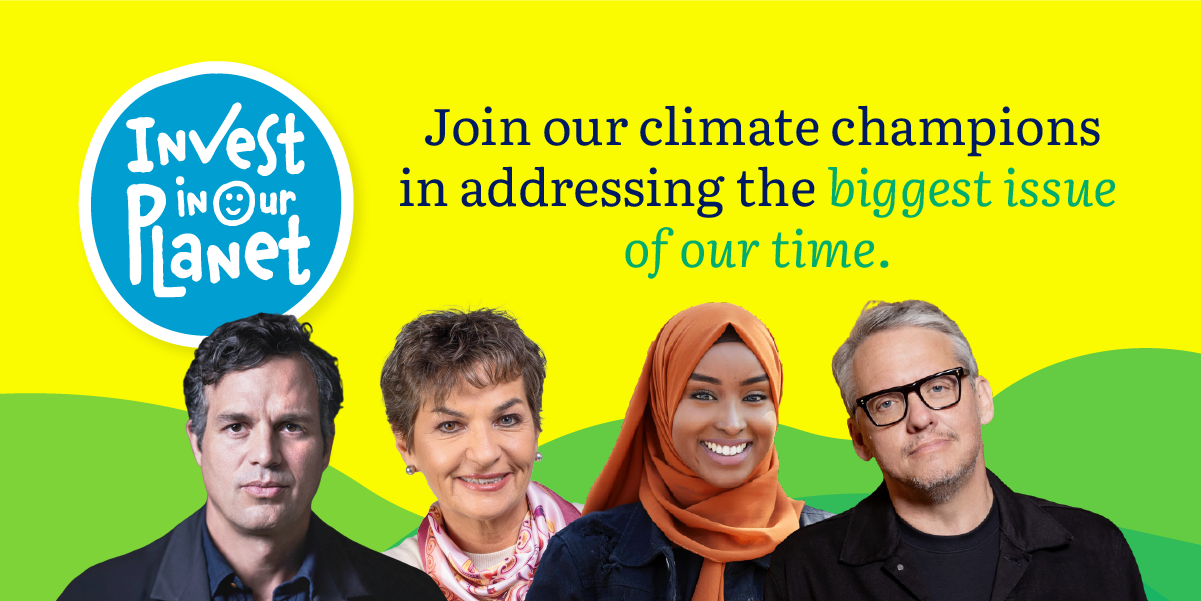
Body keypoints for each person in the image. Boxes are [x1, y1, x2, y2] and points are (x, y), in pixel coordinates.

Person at [764, 300, 1147, 601]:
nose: (920, 418)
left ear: (982, 398)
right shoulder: (804, 569)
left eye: (938, 387)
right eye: (886, 403)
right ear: (860, 438)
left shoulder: (1095, 548)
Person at [59, 313, 442, 601]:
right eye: (236, 427)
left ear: (327, 445)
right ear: (197, 442)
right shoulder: (97, 594)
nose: (265, 455)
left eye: (291, 426)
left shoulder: (408, 593)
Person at [527, 302, 831, 601]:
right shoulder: (583, 558)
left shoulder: (832, 553)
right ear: (662, 405)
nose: (732, 423)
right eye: (703, 394)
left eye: (754, 396)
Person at [380, 308, 581, 601]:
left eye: (507, 419)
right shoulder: (381, 585)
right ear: (405, 446)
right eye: (450, 426)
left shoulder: (625, 545)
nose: (485, 454)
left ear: (536, 428)